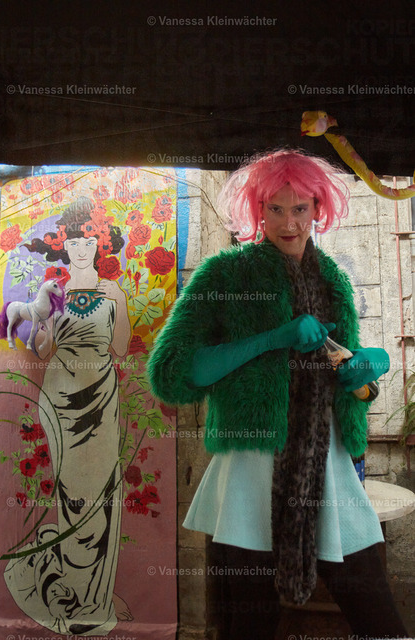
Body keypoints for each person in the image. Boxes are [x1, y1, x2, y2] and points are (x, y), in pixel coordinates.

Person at [147, 151, 409, 639]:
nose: (289, 223)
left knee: (381, 622)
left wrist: (368, 373)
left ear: (318, 209)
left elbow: (348, 385)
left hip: (331, 472)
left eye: (300, 209)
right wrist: (273, 338)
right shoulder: (224, 275)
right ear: (258, 210)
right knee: (250, 626)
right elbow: (172, 372)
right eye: (276, 209)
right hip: (247, 479)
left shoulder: (334, 281)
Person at [4, 197, 133, 635]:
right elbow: (43, 352)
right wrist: (37, 320)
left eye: (89, 241)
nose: (81, 248)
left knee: (98, 492)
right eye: (73, 242)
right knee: (71, 493)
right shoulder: (54, 293)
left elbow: (120, 348)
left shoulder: (113, 294)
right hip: (59, 398)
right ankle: (74, 589)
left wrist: (119, 304)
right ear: (64, 246)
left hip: (100, 398)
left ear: (101, 245)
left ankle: (94, 595)